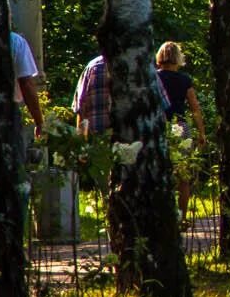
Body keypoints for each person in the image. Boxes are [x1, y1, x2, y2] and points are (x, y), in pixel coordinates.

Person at [156, 42, 209, 214]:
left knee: (160, 172)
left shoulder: (154, 77)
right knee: (183, 176)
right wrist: (201, 133)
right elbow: (195, 108)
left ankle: (163, 215)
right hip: (180, 127)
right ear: (178, 58)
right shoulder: (184, 80)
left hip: (159, 126)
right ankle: (182, 216)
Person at [72, 53, 172, 136]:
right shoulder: (145, 67)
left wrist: (81, 149)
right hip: (137, 145)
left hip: (100, 149)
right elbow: (161, 107)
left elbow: (80, 111)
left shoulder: (92, 68)